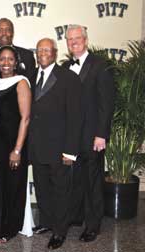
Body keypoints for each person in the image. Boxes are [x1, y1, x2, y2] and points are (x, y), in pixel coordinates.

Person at [63, 24, 115, 242]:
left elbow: (106, 103)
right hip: (71, 137)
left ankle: (93, 225)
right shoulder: (65, 66)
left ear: (85, 39)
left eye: (77, 38)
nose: (73, 42)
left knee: (93, 181)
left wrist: (101, 134)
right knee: (75, 179)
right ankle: (76, 216)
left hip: (92, 136)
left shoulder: (100, 65)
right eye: (69, 39)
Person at [29, 38, 82, 250]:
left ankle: (59, 231)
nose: (42, 53)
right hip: (37, 146)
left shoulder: (68, 78)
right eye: (39, 49)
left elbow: (76, 117)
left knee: (61, 191)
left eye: (46, 49)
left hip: (60, 148)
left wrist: (70, 152)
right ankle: (46, 222)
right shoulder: (31, 77)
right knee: (42, 188)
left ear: (55, 52)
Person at [0, 46, 33, 243]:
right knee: (1, 185)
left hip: (15, 143)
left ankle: (11, 228)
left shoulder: (21, 82)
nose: (6, 63)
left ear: (16, 62)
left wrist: (17, 150)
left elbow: (25, 118)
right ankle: (3, 224)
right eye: (2, 59)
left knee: (14, 186)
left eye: (10, 59)